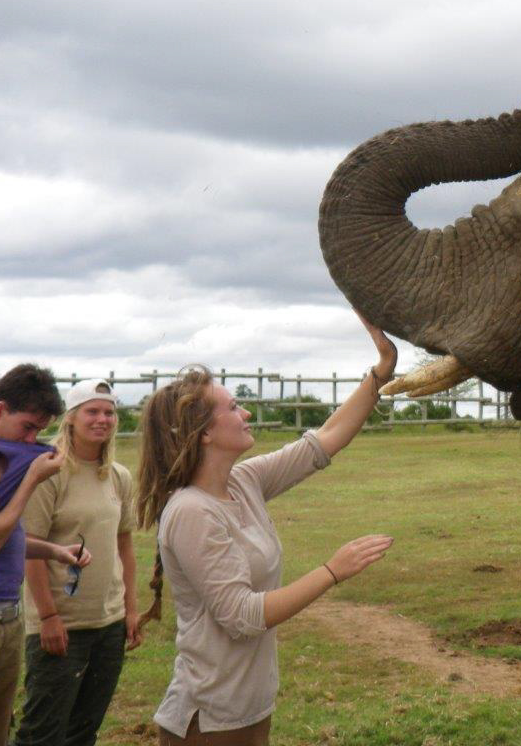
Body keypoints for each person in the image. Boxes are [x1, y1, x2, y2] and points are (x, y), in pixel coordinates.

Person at [136, 316, 397, 746]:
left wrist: (381, 370)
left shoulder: (244, 481)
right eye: (234, 407)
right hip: (209, 718)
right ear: (203, 434)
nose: (247, 413)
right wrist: (332, 570)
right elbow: (242, 616)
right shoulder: (191, 512)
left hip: (248, 708)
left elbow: (327, 437)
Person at [15, 379, 141, 746]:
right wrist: (49, 617)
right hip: (61, 627)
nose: (102, 419)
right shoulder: (48, 472)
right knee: (42, 733)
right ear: (71, 418)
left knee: (83, 731)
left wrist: (130, 611)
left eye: (109, 412)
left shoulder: (118, 476)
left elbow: (125, 547)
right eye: (92, 411)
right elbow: (29, 546)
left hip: (108, 623)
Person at [0, 365, 89, 746]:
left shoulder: (8, 459)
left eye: (39, 431)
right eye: (27, 427)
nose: (33, 440)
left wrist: (54, 551)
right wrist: (30, 479)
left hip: (8, 617)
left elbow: (9, 533)